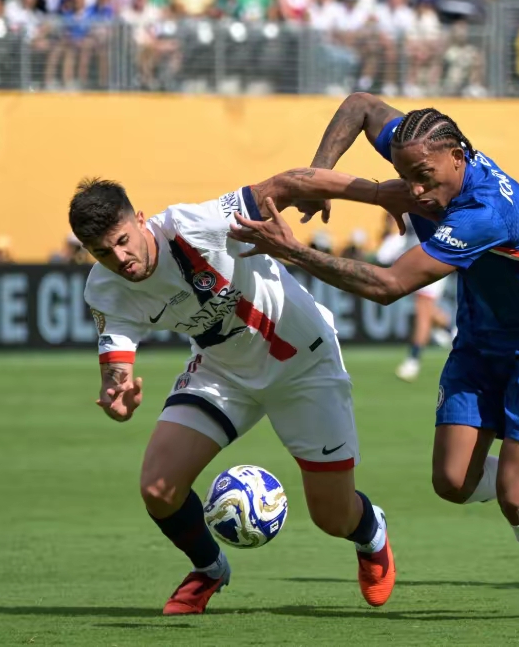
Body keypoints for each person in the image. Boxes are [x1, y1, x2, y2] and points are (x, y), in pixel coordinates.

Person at [229, 94, 519, 621]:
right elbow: (359, 106)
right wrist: (321, 177)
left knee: (516, 497)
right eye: (406, 177)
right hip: (480, 339)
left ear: (459, 157)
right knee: (451, 483)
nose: (417, 191)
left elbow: (388, 285)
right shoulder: (427, 145)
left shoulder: (484, 212)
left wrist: (292, 251)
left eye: (424, 177)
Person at [70, 174, 396, 616]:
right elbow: (117, 373)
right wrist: (118, 398)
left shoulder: (192, 225)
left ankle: (371, 532)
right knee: (158, 488)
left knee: (332, 517)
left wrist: (378, 194)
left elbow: (286, 183)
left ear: (141, 220)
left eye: (124, 241)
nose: (121, 258)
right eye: (103, 252)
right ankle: (210, 568)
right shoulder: (104, 289)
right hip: (224, 371)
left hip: (305, 364)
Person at [376, 212, 454, 382]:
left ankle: (413, 360)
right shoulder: (406, 220)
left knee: (423, 310)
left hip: (431, 258)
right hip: (422, 260)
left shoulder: (419, 205)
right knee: (428, 310)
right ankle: (454, 334)